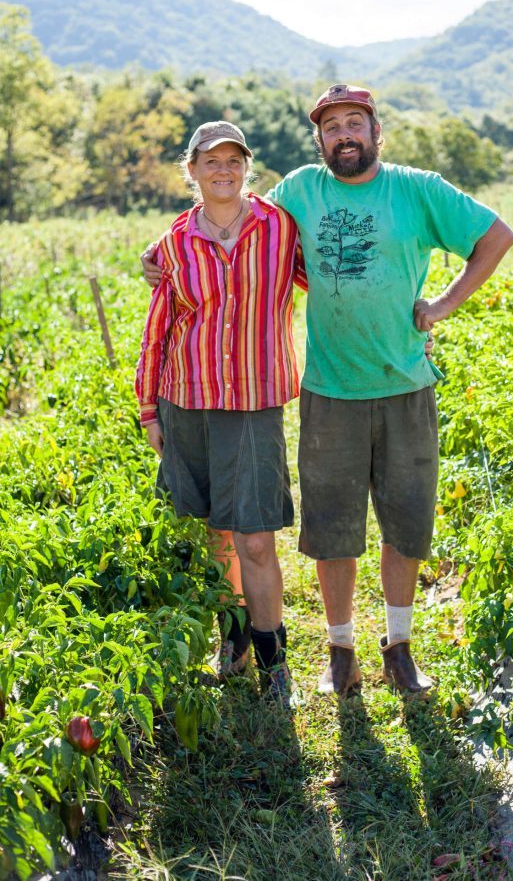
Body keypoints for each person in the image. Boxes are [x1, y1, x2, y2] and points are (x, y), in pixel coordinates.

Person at [144, 86, 513, 698]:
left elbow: (495, 236)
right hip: (329, 388)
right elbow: (225, 217)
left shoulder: (417, 187)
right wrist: (156, 255)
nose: (344, 134)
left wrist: (444, 304)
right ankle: (339, 649)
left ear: (375, 131)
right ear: (319, 140)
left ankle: (398, 646)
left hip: (404, 383)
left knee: (406, 523)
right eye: (332, 126)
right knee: (332, 527)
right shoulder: (298, 191)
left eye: (355, 123)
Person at [135, 120, 306, 706]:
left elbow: (336, 288)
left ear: (247, 167)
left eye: (234, 160)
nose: (224, 170)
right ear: (193, 170)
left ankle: (274, 659)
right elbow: (158, 329)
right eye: (212, 161)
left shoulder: (281, 229)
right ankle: (231, 641)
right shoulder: (173, 243)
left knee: (256, 538)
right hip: (187, 401)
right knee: (216, 533)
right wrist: (148, 409)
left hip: (254, 403)